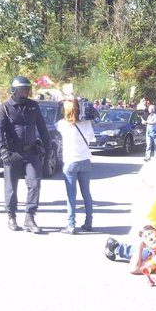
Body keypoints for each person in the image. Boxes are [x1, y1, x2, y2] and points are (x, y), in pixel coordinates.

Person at [0, 76, 51, 233]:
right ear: (14, 90)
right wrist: (3, 149)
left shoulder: (33, 106)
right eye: (22, 89)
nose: (25, 92)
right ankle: (11, 216)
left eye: (27, 89)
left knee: (34, 184)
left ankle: (30, 217)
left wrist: (48, 144)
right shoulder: (5, 108)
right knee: (11, 187)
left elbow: (42, 126)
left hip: (32, 151)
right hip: (12, 153)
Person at [55, 98, 95, 234]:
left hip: (70, 162)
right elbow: (90, 137)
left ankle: (71, 225)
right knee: (86, 194)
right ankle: (89, 223)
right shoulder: (86, 123)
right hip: (85, 161)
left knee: (71, 196)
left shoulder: (62, 124)